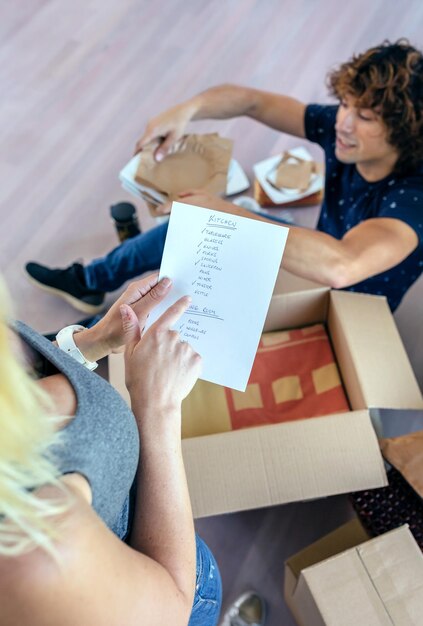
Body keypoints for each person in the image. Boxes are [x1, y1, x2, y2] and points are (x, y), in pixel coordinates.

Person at [26, 39, 423, 313]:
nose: (343, 123)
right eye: (345, 104)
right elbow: (251, 101)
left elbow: (342, 267)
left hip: (346, 303)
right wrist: (188, 109)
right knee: (186, 230)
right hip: (315, 256)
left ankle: (69, 350)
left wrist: (223, 214)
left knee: (176, 300)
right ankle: (90, 281)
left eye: (365, 117)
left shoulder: (412, 199)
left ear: (406, 131)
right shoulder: (346, 135)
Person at [0, 273, 222, 626]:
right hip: (180, 591)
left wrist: (95, 340)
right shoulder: (29, 550)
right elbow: (173, 606)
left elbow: (22, 390)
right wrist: (157, 405)